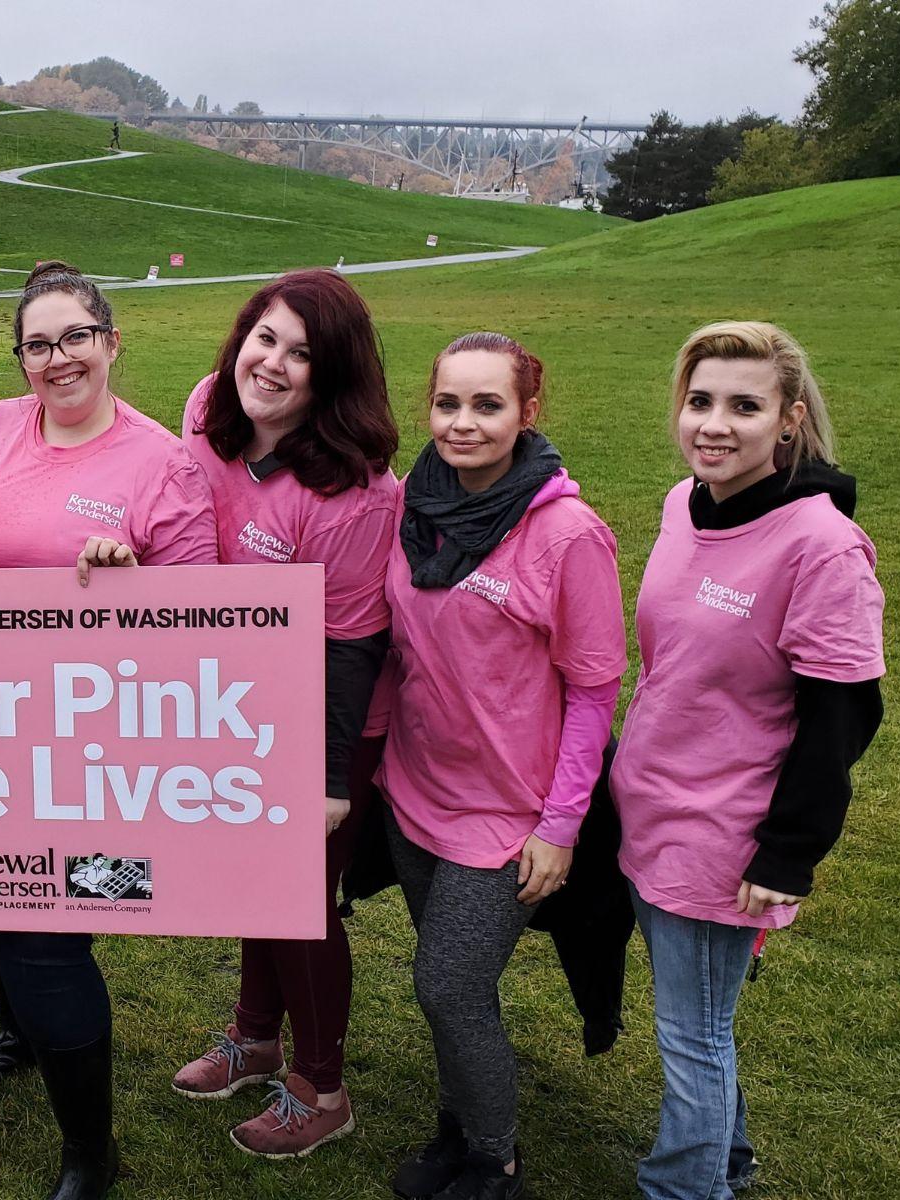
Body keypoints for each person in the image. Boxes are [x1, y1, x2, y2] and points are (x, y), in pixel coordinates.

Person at [0, 261, 218, 1200]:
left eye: (76, 336)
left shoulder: (165, 465)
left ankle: (89, 1151)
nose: (57, 358)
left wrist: (134, 590)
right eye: (37, 344)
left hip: (97, 749)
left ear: (112, 343)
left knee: (49, 935)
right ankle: (22, 1035)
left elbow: (206, 630)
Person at [611, 321, 884, 1200]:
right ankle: (723, 1157)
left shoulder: (822, 546)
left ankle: (685, 1188)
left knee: (692, 1035)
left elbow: (842, 716)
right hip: (650, 805)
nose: (714, 425)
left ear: (789, 419)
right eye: (700, 401)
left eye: (745, 406)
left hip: (724, 834)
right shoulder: (681, 503)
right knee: (700, 1021)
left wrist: (786, 854)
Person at [380, 332, 627, 1200]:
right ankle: (456, 1130)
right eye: (448, 403)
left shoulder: (568, 534)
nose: (464, 423)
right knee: (451, 985)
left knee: (448, 986)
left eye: (488, 405)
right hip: (414, 791)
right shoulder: (412, 503)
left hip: (509, 812)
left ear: (529, 412)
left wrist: (560, 827)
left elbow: (594, 692)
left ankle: (494, 1162)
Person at [168, 270, 399, 1158]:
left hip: (326, 714)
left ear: (332, 375)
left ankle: (321, 1087)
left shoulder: (358, 492)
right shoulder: (207, 407)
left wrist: (332, 778)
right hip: (233, 701)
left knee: (299, 897)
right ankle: (255, 1036)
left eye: (301, 354)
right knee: (251, 879)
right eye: (265, 338)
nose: (271, 363)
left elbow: (353, 643)